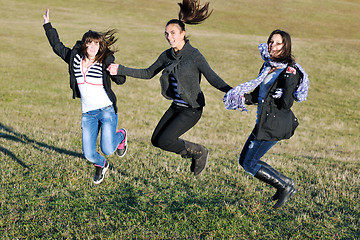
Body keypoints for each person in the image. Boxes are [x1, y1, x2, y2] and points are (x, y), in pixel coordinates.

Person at [108, 0, 232, 176]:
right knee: (157, 140)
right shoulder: (167, 55)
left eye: (173, 33)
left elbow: (213, 78)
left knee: (166, 140)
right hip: (176, 107)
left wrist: (234, 92)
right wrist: (120, 69)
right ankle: (193, 152)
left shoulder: (194, 55)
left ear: (183, 33)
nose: (169, 37)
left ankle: (198, 152)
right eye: (166, 34)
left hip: (191, 109)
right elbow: (148, 72)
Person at [223, 29, 309, 208]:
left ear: (286, 46)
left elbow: (286, 103)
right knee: (245, 160)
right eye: (271, 42)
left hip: (274, 124)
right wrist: (239, 96)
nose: (272, 46)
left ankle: (285, 186)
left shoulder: (290, 71)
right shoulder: (268, 65)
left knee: (248, 162)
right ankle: (286, 183)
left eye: (278, 43)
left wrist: (286, 85)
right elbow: (257, 95)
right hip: (264, 121)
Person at [42, 9, 128, 184]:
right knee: (89, 154)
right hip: (88, 114)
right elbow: (57, 47)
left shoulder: (105, 61)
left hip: (106, 110)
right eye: (90, 44)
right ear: (84, 45)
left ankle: (122, 136)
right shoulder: (74, 58)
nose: (94, 47)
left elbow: (121, 80)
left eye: (97, 44)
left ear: (100, 46)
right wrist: (47, 26)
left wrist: (116, 72)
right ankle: (101, 164)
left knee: (108, 148)